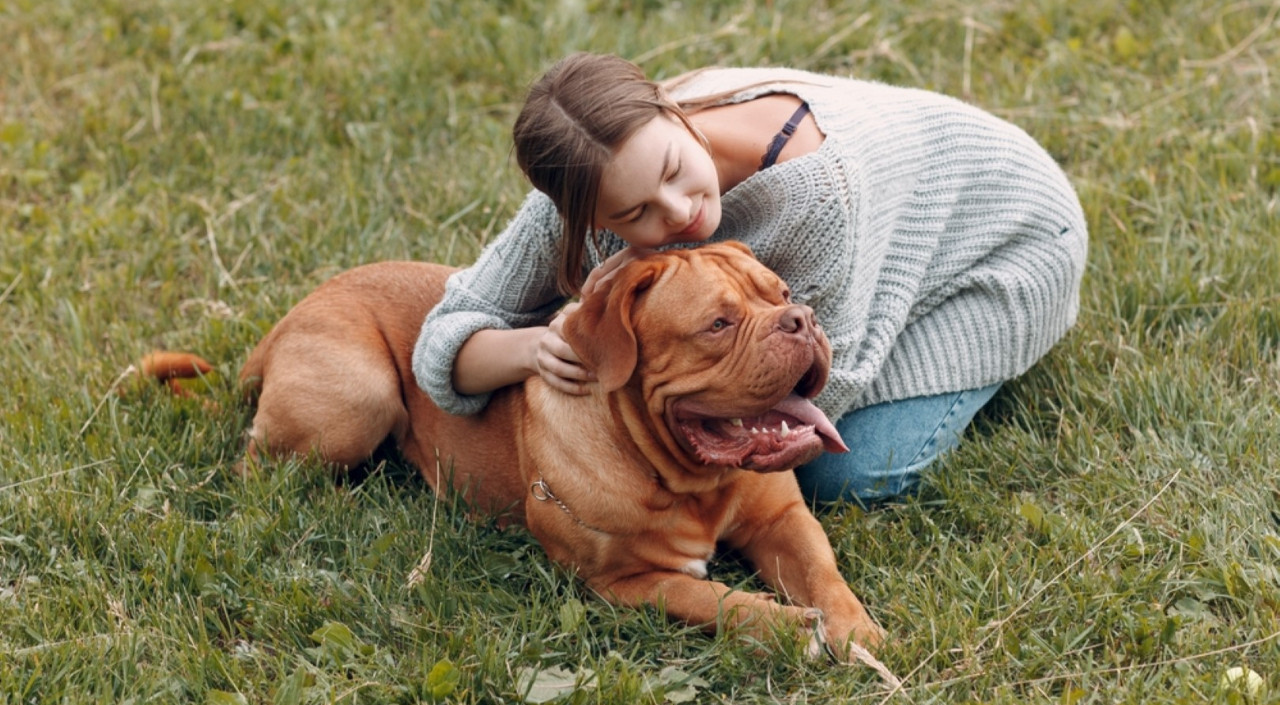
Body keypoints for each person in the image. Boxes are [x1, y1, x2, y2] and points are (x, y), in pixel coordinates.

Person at [412, 52, 1087, 506]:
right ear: (583, 212)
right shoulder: (588, 177)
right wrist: (533, 347)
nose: (679, 215)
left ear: (674, 114)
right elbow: (442, 338)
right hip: (891, 238)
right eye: (633, 213)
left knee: (839, 468)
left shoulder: (817, 198)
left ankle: (975, 362)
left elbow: (827, 384)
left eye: (675, 171)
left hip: (1009, 242)